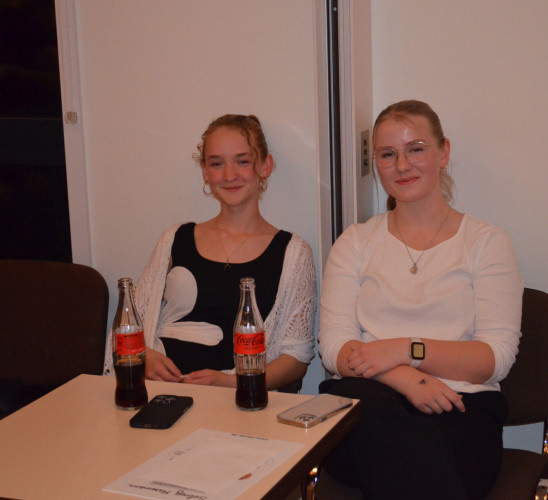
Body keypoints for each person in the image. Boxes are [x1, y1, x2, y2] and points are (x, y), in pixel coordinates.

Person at [317, 100, 523, 499]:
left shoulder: (486, 242)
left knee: (401, 453)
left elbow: (495, 358)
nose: (402, 165)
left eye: (416, 149)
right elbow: (333, 347)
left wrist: (404, 350)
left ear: (443, 153)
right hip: (369, 402)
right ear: (376, 164)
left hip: (460, 409)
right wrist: (406, 377)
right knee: (363, 409)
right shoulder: (355, 242)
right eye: (387, 154)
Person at [103, 114, 316, 391]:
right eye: (216, 163)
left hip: (237, 401)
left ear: (265, 166)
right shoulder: (174, 239)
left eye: (242, 161)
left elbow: (297, 357)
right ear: (205, 171)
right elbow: (129, 326)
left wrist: (234, 383)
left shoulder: (293, 253)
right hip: (160, 392)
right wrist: (145, 357)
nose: (229, 175)